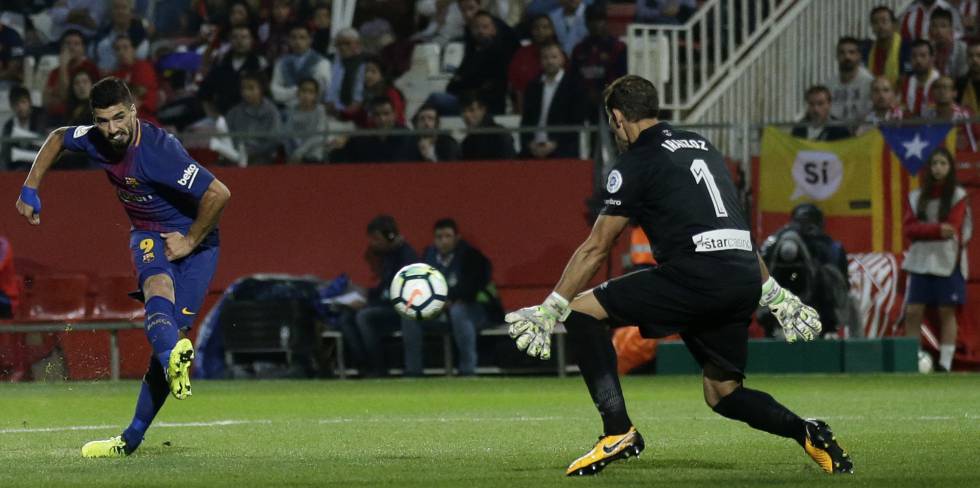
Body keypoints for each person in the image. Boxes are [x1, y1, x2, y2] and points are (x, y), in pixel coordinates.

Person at [504, 74, 851, 477]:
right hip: (740, 277)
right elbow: (734, 228)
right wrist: (773, 293)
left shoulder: (636, 161)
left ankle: (618, 432)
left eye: (611, 122)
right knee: (723, 393)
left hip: (696, 276)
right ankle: (807, 432)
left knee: (580, 313)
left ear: (618, 117)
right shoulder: (702, 146)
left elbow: (597, 247)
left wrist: (551, 308)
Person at [13, 77, 231, 457]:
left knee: (173, 331)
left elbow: (219, 193)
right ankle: (168, 364)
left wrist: (191, 240)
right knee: (156, 289)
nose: (111, 129)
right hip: (148, 232)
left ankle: (133, 433)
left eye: (118, 118)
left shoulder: (160, 151)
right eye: (102, 121)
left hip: (197, 243)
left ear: (133, 111)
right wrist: (30, 188)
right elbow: (59, 137)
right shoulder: (96, 138)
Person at [902, 147, 972, 372]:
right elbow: (908, 229)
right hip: (920, 260)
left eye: (942, 163)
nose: (938, 168)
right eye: (934, 164)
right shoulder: (915, 196)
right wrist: (935, 229)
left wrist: (924, 229)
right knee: (913, 311)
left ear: (950, 168)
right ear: (928, 168)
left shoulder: (958, 196)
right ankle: (912, 360)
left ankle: (945, 363)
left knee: (946, 311)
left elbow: (952, 228)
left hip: (948, 261)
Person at [405, 218, 502, 376]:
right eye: (439, 237)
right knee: (409, 315)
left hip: (477, 312)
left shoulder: (472, 257)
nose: (443, 241)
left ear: (457, 238)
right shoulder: (427, 257)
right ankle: (413, 372)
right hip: (440, 313)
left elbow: (469, 289)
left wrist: (445, 300)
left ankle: (467, 371)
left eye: (447, 236)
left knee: (459, 311)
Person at [759, 204, 851, 338]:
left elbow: (842, 285)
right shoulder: (775, 242)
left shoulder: (829, 247)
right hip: (776, 317)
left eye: (808, 223)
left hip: (821, 314)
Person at [352, 215, 419, 377]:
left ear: (390, 237)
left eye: (376, 239)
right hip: (386, 306)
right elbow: (384, 287)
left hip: (402, 310)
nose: (373, 244)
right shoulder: (386, 257)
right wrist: (366, 296)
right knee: (347, 317)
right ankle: (363, 366)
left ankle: (379, 368)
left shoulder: (406, 257)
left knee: (365, 316)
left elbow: (398, 294)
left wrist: (369, 303)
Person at [520, 41, 585, 159]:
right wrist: (529, 144)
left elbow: (576, 120)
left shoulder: (574, 85)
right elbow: (526, 120)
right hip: (532, 148)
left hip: (562, 149)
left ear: (562, 59)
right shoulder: (533, 86)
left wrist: (555, 144)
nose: (550, 61)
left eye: (554, 57)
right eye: (545, 57)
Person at [198, 25, 269, 115]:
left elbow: (266, 96)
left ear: (251, 40)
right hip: (222, 117)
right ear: (230, 41)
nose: (239, 41)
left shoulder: (259, 64)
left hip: (252, 118)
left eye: (244, 37)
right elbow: (204, 95)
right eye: (235, 37)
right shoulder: (221, 64)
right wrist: (216, 118)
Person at [331, 96, 412, 163]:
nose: (382, 119)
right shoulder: (361, 140)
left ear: (394, 114)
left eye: (386, 114)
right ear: (372, 117)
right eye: (377, 115)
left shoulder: (407, 136)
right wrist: (338, 148)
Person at [270, 24, 332, 109]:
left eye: (302, 38)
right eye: (293, 38)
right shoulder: (281, 62)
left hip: (312, 111)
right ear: (289, 40)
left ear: (310, 40)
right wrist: (300, 91)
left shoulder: (322, 63)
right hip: (287, 111)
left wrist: (288, 93)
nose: (297, 42)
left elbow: (320, 93)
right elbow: (275, 92)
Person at [226, 72, 282, 164]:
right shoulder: (234, 112)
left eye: (251, 88)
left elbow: (275, 140)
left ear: (261, 89)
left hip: (263, 158)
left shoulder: (272, 112)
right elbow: (227, 137)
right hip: (236, 156)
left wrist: (253, 151)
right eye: (243, 88)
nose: (246, 92)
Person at [43, 29, 100, 120]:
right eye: (67, 44)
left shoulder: (90, 68)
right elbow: (46, 101)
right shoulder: (55, 72)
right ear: (61, 47)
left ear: (83, 48)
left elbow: (66, 96)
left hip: (81, 117)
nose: (71, 47)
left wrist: (63, 66)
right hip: (54, 118)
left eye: (76, 44)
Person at [508, 14, 557, 113]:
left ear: (552, 30)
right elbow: (516, 87)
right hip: (526, 107)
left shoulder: (560, 54)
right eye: (536, 28)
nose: (540, 31)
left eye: (545, 27)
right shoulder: (521, 54)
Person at [921, 76, 978, 150]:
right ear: (932, 93)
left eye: (946, 87)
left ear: (954, 93)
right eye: (938, 87)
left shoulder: (966, 114)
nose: (942, 91)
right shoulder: (926, 116)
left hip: (965, 159)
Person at [110, 36, 159, 122]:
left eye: (125, 47)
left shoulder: (143, 67)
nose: (121, 52)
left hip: (145, 117)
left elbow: (141, 92)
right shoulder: (114, 75)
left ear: (133, 49)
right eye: (117, 49)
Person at [827, 37, 875, 122]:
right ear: (837, 56)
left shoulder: (869, 82)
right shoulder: (829, 84)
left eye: (851, 52)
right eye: (842, 53)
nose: (847, 56)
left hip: (864, 131)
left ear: (859, 56)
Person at [2, 86, 47, 171]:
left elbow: (42, 143)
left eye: (23, 102)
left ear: (30, 102)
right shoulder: (9, 126)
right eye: (16, 104)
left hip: (40, 165)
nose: (20, 107)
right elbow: (5, 153)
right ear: (12, 106)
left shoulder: (40, 117)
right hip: (17, 168)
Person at [864, 5, 911, 88]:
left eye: (884, 21)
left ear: (894, 24)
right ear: (872, 27)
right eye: (875, 22)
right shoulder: (867, 49)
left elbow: (908, 73)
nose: (880, 26)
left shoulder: (906, 47)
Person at [284, 78, 329, 163]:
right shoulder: (292, 109)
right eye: (303, 91)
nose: (306, 95)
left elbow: (318, 136)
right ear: (298, 93)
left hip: (314, 156)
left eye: (311, 92)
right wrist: (292, 155)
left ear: (316, 95)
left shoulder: (320, 110)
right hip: (295, 156)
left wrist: (300, 152)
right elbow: (287, 134)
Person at [460, 94, 517, 160]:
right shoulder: (467, 142)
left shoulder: (499, 134)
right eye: (463, 111)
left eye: (471, 110)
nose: (467, 115)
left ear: (483, 110)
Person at [324, 28, 366, 118]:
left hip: (354, 114)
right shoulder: (329, 62)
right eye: (339, 44)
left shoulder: (365, 64)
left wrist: (345, 112)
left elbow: (360, 97)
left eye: (347, 44)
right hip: (328, 111)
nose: (342, 47)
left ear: (358, 44)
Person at [900, 39, 941, 115]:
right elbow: (902, 110)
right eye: (914, 56)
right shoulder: (906, 83)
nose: (918, 60)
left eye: (923, 56)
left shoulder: (939, 83)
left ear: (932, 59)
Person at [929, 8, 968, 77]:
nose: (939, 31)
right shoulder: (927, 48)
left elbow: (963, 75)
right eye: (934, 26)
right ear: (930, 29)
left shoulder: (962, 48)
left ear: (951, 28)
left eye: (943, 26)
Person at [955, 42, 980, 112]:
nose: (974, 59)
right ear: (966, 58)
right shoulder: (960, 83)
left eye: (979, 55)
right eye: (970, 56)